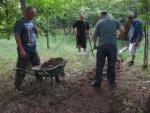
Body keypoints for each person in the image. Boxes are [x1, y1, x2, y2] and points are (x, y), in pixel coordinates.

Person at [92, 11, 124, 88]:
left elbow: (94, 36)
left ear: (101, 15)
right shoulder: (115, 21)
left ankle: (97, 82)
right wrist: (117, 37)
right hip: (112, 46)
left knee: (99, 65)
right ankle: (112, 82)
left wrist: (95, 45)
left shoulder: (99, 23)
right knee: (112, 65)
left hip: (102, 46)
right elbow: (122, 30)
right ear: (107, 15)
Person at [13, 6, 40, 93]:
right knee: (21, 68)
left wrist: (36, 29)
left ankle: (39, 79)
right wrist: (21, 50)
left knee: (37, 64)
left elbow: (36, 31)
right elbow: (17, 36)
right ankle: (17, 87)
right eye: (33, 13)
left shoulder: (32, 21)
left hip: (33, 49)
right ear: (27, 13)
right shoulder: (20, 22)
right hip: (25, 50)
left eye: (35, 13)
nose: (35, 15)